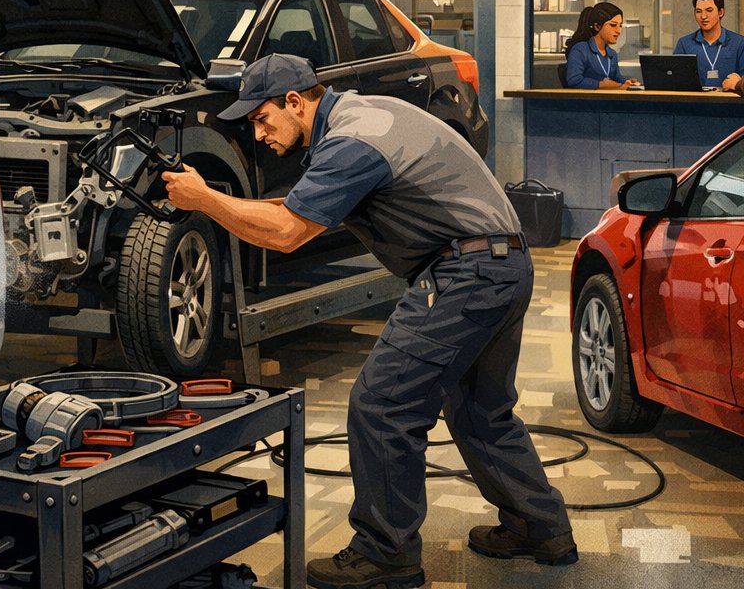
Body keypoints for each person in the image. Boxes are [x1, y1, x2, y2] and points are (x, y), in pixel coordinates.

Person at [162, 54, 575, 589]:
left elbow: (287, 231)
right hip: (503, 264)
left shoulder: (352, 141)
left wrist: (206, 200)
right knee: (480, 409)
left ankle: (386, 555)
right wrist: (221, 202)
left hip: (466, 274)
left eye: (263, 119)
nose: (259, 134)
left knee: (382, 405)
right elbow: (296, 210)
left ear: (295, 101)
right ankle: (539, 527)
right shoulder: (361, 118)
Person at [672, 0, 744, 89]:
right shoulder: (684, 44)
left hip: (729, 99)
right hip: (694, 99)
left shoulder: (740, 43)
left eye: (709, 10)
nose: (703, 16)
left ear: (721, 12)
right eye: (698, 11)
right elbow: (676, 80)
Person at [563, 1, 638, 89]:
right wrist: (600, 84)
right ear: (597, 26)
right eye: (613, 25)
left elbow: (616, 77)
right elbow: (574, 80)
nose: (618, 31)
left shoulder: (612, 53)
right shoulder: (580, 50)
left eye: (620, 25)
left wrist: (626, 81)